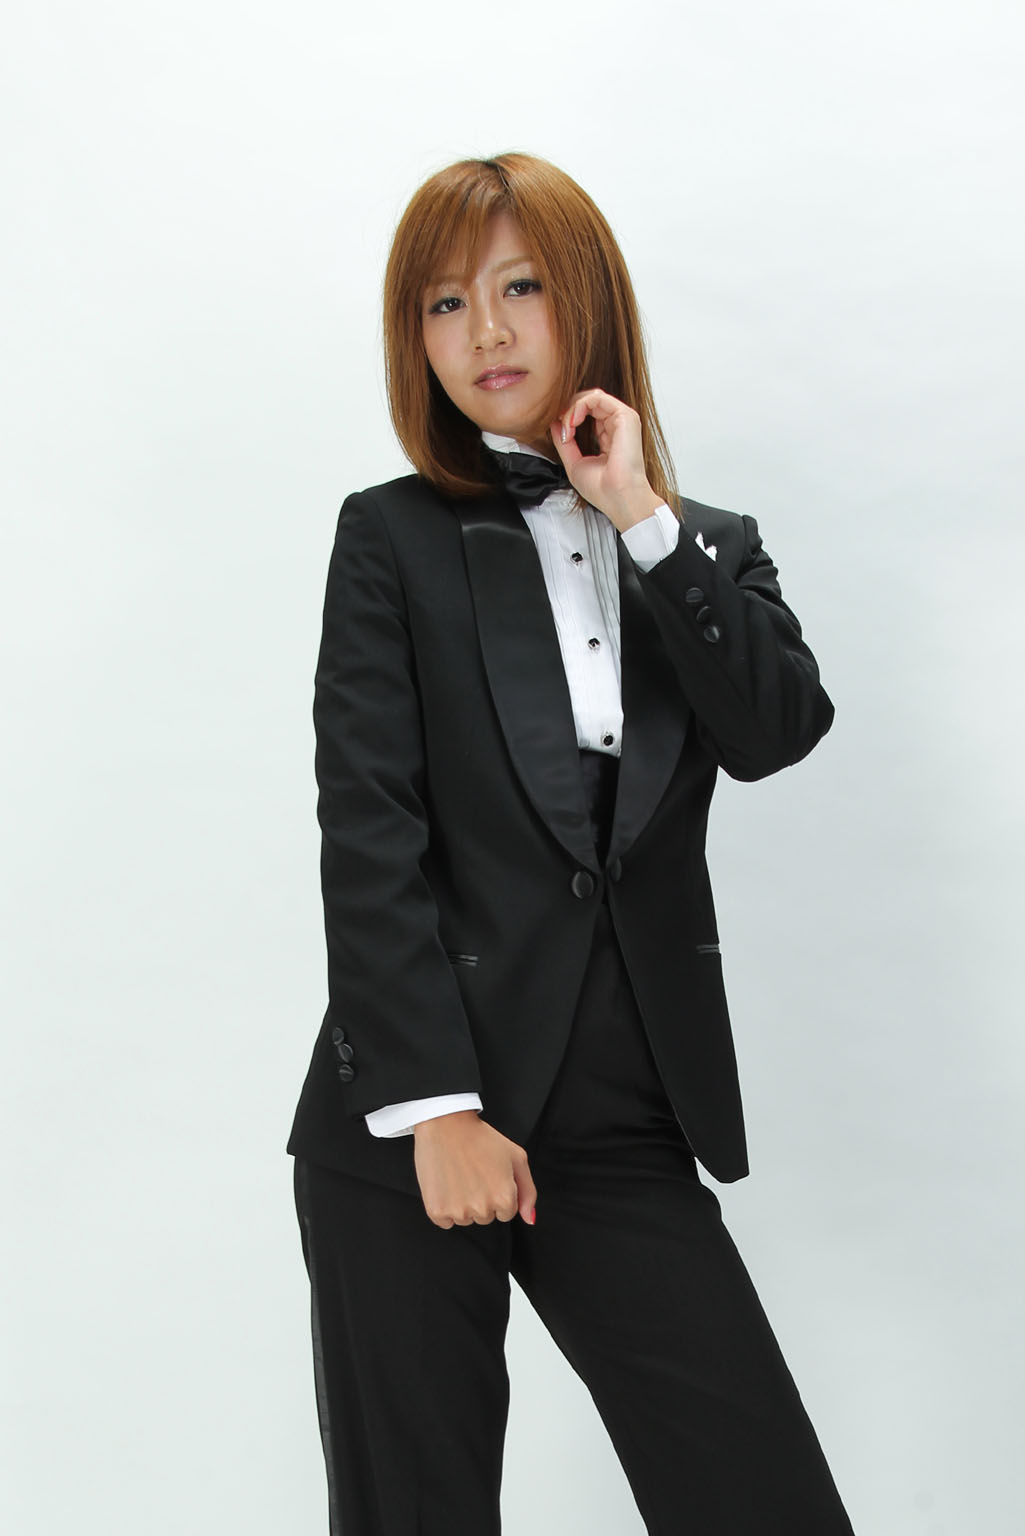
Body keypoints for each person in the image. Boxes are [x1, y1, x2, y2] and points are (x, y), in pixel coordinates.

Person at [287, 150, 856, 1535]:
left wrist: (640, 517)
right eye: (443, 304)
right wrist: (437, 1109)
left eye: (520, 288)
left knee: (761, 1499)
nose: (484, 331)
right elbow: (368, 828)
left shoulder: (701, 547)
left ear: (585, 300)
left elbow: (775, 730)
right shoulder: (390, 539)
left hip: (621, 1116)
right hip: (417, 1112)